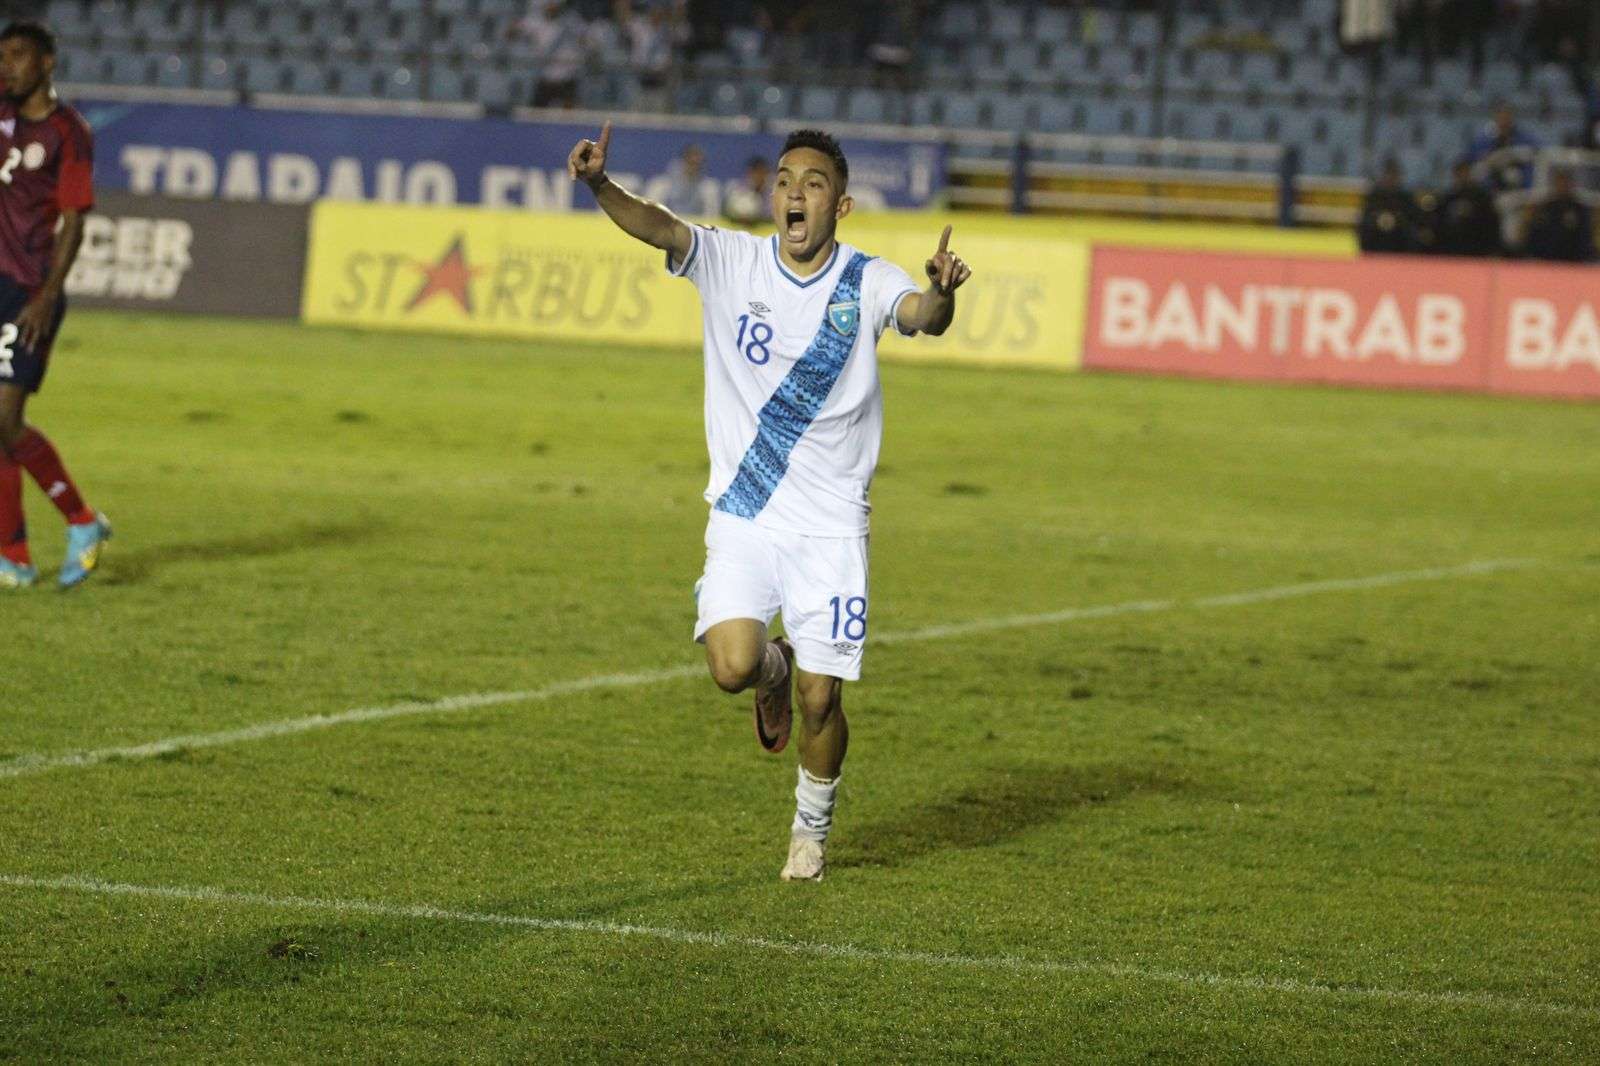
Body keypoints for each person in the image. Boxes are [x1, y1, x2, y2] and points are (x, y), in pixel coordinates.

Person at [567, 122, 970, 882]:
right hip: (747, 509)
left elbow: (921, 315)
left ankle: (810, 830)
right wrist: (598, 185)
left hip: (831, 526)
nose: (794, 193)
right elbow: (659, 226)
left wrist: (942, 293)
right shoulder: (734, 261)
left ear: (840, 206)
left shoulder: (865, 280)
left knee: (822, 702)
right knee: (732, 667)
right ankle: (771, 670)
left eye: (813, 184)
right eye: (785, 180)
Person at [0, 21, 108, 591]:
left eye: (18, 56)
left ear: (46, 63)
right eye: (2, 56)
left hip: (27, 289)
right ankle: (13, 555)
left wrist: (47, 294)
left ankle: (82, 521)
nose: (7, 66)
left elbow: (74, 220)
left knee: (5, 419)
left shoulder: (69, 132)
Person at [512, 0, 590, 109]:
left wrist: (581, 48)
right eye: (549, 3)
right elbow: (512, 32)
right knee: (536, 113)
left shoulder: (572, 20)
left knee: (570, 114)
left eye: (555, 4)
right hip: (545, 77)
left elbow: (586, 40)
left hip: (567, 77)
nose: (552, 6)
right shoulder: (534, 21)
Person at [1521, 169, 1596, 261]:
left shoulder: (1579, 210)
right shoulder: (1545, 208)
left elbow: (1585, 238)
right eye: (1560, 183)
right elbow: (1535, 235)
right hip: (1545, 259)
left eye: (1565, 183)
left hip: (1572, 259)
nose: (1562, 186)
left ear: (1571, 185)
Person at [1434, 159, 1503, 256]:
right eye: (1459, 174)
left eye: (1465, 173)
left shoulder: (1481, 197)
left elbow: (1490, 223)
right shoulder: (1449, 197)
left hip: (1477, 247)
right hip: (1451, 247)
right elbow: (1440, 222)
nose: (1463, 177)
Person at [1358, 158, 1423, 253]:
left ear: (1399, 176)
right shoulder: (1375, 195)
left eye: (1394, 175)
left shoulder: (1406, 197)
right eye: (1388, 175)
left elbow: (1413, 219)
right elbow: (1365, 217)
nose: (1390, 178)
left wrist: (1396, 220)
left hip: (1399, 242)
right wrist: (1379, 219)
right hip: (1376, 241)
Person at [655, 143, 718, 218]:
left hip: (696, 224)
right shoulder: (661, 184)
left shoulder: (709, 188)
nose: (693, 168)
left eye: (697, 164)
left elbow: (711, 216)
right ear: (681, 161)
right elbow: (653, 212)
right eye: (690, 162)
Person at [721, 155, 770, 226]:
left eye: (763, 173)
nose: (760, 176)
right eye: (757, 173)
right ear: (750, 173)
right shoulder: (738, 190)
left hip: (766, 230)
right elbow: (728, 213)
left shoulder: (773, 191)